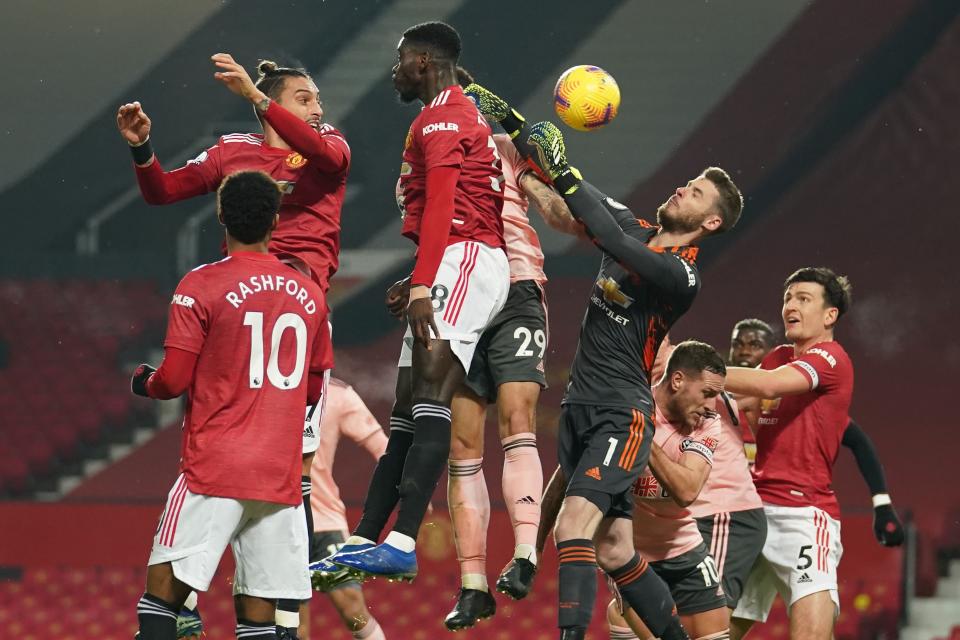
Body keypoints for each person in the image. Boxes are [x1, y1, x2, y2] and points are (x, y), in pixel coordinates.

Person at [465, 83, 744, 640]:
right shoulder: (638, 229)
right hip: (580, 409)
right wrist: (518, 131)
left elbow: (609, 234)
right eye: (685, 184)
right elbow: (572, 207)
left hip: (623, 413)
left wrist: (561, 170)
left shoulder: (681, 275)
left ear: (710, 223)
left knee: (576, 528)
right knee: (616, 548)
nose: (680, 190)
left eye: (694, 194)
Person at [118, 54, 349, 637]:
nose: (318, 109)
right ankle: (244, 593)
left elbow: (325, 154)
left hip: (297, 315)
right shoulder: (231, 151)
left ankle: (223, 590)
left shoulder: (327, 148)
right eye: (305, 98)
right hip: (256, 319)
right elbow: (164, 191)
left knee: (272, 478)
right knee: (265, 473)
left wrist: (261, 96)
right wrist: (143, 151)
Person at [325, 22, 510, 582]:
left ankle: (403, 541)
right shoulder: (440, 114)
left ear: (425, 62)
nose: (395, 69)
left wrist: (426, 281)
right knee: (405, 410)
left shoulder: (445, 117)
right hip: (451, 259)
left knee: (430, 397)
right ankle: (363, 539)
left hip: (469, 258)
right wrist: (420, 279)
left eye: (401, 59)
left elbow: (445, 208)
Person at [130, 170, 332, 640]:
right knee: (259, 623)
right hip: (277, 478)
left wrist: (144, 384)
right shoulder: (309, 295)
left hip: (213, 469)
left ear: (220, 215)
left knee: (160, 601)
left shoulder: (201, 284)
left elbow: (174, 380)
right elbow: (312, 391)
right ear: (276, 221)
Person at [721, 268, 852, 639]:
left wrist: (699, 367)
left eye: (804, 299)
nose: (790, 306)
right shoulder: (777, 355)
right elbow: (737, 399)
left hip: (804, 517)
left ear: (830, 316)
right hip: (753, 514)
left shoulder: (831, 358)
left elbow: (771, 385)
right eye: (788, 298)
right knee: (713, 632)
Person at [726, 318, 903, 549]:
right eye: (737, 344)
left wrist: (882, 502)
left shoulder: (790, 405)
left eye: (754, 345)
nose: (744, 352)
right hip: (731, 513)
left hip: (782, 509)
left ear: (771, 355)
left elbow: (860, 443)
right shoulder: (713, 403)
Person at [605, 341, 731, 640]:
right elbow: (567, 476)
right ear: (677, 381)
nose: (712, 406)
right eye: (707, 393)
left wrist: (640, 433)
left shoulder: (708, 423)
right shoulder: (622, 410)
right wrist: (534, 546)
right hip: (632, 559)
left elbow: (686, 491)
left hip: (686, 553)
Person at [304, 378, 389, 640]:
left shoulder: (338, 394)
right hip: (281, 519)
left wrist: (407, 484)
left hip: (324, 520)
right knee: (292, 616)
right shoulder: (272, 386)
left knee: (353, 608)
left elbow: (381, 445)